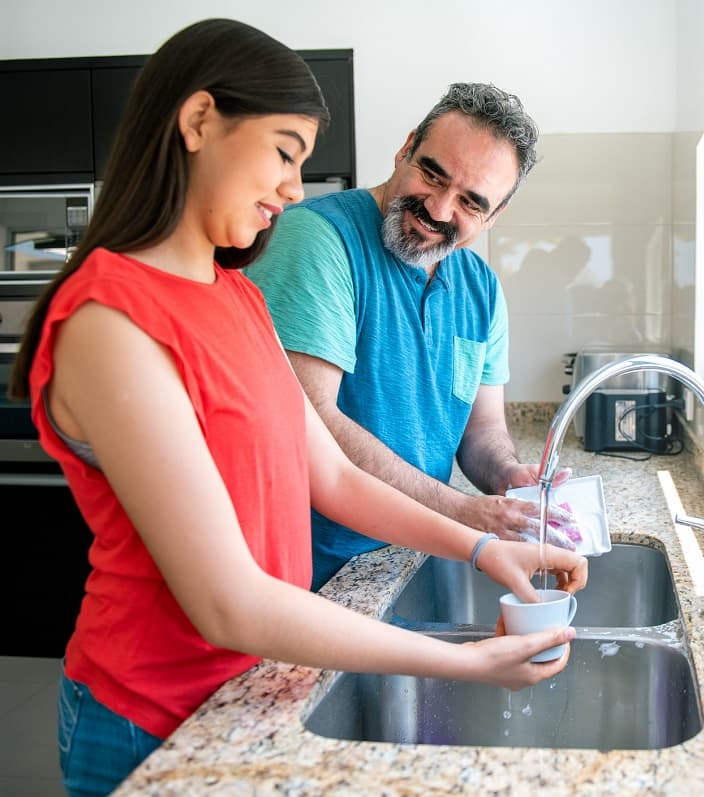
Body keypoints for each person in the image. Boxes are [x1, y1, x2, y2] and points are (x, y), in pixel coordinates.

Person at [8, 20, 587, 797]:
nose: (291, 187)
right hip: (150, 714)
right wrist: (467, 661)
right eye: (284, 152)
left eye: (300, 163)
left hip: (261, 684)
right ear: (198, 120)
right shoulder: (110, 321)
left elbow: (334, 479)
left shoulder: (238, 296)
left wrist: (483, 551)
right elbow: (227, 603)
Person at [246, 82, 577, 591]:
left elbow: (481, 431)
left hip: (410, 566)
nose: (440, 210)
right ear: (406, 148)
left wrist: (510, 478)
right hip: (311, 578)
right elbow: (312, 424)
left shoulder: (480, 289)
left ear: (494, 216)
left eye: (471, 201)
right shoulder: (317, 239)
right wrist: (463, 512)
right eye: (431, 174)